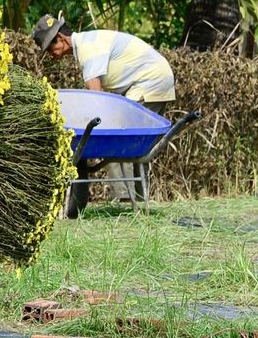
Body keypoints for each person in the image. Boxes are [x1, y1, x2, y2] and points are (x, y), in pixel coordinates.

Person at [31, 13, 175, 204]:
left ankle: (123, 197)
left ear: (60, 38)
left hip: (149, 81)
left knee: (117, 137)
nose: (52, 55)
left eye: (50, 49)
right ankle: (139, 198)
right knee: (139, 143)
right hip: (158, 78)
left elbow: (96, 101)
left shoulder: (87, 49)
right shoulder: (89, 41)